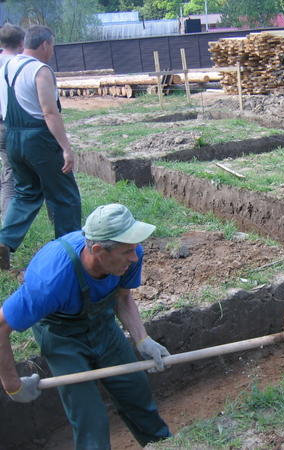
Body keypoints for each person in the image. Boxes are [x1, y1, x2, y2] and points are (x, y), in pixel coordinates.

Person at [0, 203, 171, 449]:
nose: (135, 257)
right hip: (62, 337)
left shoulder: (131, 254)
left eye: (134, 249)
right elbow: (1, 326)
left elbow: (122, 298)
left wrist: (143, 339)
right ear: (99, 249)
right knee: (90, 419)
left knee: (136, 393)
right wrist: (12, 385)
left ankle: (162, 444)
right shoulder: (50, 281)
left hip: (102, 327)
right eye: (127, 251)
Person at [0, 25, 81, 270]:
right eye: (53, 46)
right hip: (39, 140)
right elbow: (49, 112)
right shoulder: (40, 70)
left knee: (26, 193)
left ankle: (4, 240)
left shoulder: (6, 66)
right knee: (65, 197)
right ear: (45, 44)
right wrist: (66, 148)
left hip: (12, 137)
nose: (52, 51)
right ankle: (70, 253)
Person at [0, 24, 24, 223]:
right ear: (21, 43)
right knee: (11, 175)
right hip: (8, 125)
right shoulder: (18, 64)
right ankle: (7, 224)